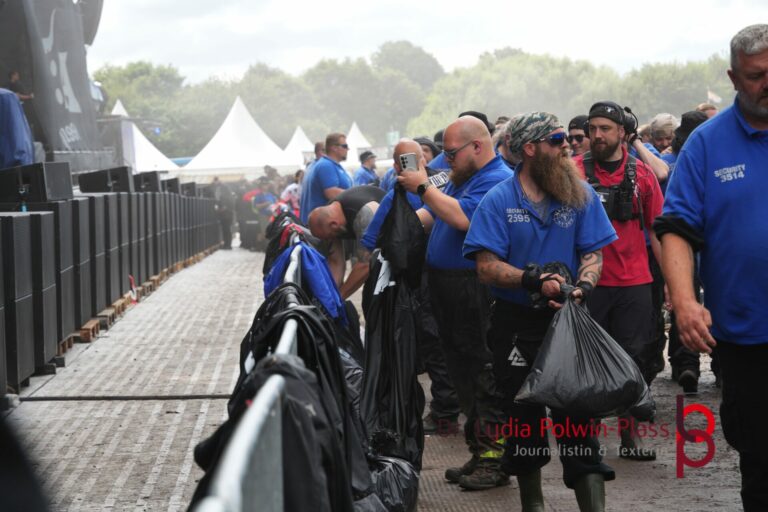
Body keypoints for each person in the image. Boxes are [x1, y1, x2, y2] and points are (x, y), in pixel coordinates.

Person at [464, 111, 617, 512]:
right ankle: (533, 506)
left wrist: (583, 286)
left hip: (568, 324)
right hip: (515, 329)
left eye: (565, 138)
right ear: (530, 149)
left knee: (579, 426)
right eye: (555, 140)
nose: (566, 145)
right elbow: (485, 267)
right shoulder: (498, 200)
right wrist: (533, 279)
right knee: (524, 431)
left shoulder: (577, 193)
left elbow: (592, 252)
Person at [655, 24, 768, 511]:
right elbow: (677, 227)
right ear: (734, 77)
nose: (767, 83)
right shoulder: (705, 144)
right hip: (747, 333)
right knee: (760, 458)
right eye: (756, 75)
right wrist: (684, 302)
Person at [398, 116, 512, 490]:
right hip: (449, 288)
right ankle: (480, 451)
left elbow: (462, 218)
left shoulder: (496, 180)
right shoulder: (465, 179)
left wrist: (423, 188)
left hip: (471, 289)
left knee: (481, 371)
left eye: (451, 154)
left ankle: (494, 457)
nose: (446, 162)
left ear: (477, 147)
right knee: (462, 371)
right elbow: (434, 215)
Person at [573, 101, 664, 461]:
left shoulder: (641, 175)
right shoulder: (572, 172)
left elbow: (658, 231)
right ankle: (588, 435)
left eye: (605, 129)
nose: (596, 135)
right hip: (588, 284)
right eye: (593, 128)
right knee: (587, 361)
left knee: (635, 359)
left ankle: (630, 435)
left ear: (623, 134)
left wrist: (672, 283)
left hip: (634, 283)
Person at [361, 139, 460, 435]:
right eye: (401, 161)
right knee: (439, 344)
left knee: (437, 344)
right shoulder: (405, 192)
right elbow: (374, 239)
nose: (406, 167)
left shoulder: (441, 186)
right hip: (428, 278)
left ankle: (446, 412)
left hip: (441, 278)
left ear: (424, 161)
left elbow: (374, 241)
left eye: (411, 160)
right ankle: (447, 410)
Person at [308, 185, 384, 298]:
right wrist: (330, 296)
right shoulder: (331, 216)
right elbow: (336, 261)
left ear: (333, 224)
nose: (329, 240)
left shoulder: (364, 213)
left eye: (328, 237)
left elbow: (365, 265)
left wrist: (340, 297)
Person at [299, 133, 352, 224]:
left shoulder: (323, 164)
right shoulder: (326, 165)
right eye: (345, 146)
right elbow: (331, 193)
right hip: (322, 226)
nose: (348, 149)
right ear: (334, 148)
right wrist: (358, 194)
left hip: (320, 224)